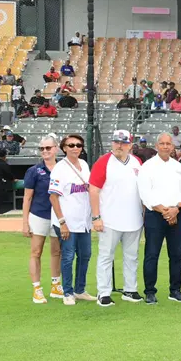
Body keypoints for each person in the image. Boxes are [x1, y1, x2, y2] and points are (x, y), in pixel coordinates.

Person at [89, 130, 144, 307]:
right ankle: (103, 292)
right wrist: (96, 217)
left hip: (134, 219)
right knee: (106, 256)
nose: (119, 146)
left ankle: (130, 289)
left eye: (123, 142)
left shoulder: (137, 162)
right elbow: (93, 190)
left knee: (132, 256)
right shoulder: (103, 162)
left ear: (130, 144)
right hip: (109, 219)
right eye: (116, 142)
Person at [137, 133, 181, 304]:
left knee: (177, 255)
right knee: (152, 254)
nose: (166, 146)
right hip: (155, 215)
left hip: (176, 214)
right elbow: (145, 193)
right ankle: (150, 291)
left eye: (168, 144)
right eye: (162, 143)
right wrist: (165, 211)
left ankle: (175, 290)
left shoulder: (178, 167)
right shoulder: (147, 166)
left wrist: (176, 209)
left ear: (172, 146)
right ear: (157, 145)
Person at [49, 134, 95, 305]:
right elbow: (53, 197)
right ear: (64, 148)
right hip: (67, 221)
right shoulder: (59, 168)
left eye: (78, 145)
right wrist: (62, 222)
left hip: (83, 221)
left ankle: (80, 290)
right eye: (71, 145)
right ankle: (67, 292)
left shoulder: (84, 164)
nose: (75, 148)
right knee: (68, 256)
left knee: (85, 255)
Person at [22, 136, 63, 303]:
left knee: (57, 251)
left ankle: (56, 285)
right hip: (39, 214)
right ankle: (37, 288)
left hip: (58, 216)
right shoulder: (34, 171)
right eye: (42, 148)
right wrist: (25, 222)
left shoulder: (63, 168)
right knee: (36, 251)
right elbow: (27, 197)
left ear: (56, 148)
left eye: (48, 148)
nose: (45, 151)